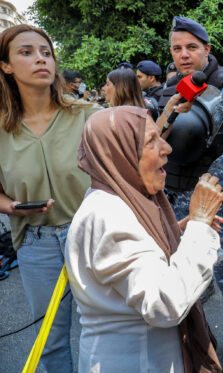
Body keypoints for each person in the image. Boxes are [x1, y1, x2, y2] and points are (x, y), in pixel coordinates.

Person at [65, 106, 223, 373]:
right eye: (150, 140)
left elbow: (140, 259)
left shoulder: (119, 199)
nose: (167, 148)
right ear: (119, 153)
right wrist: (198, 226)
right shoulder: (107, 214)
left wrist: (177, 234)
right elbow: (164, 303)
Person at [157, 16, 223, 373]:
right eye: (177, 48)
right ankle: (198, 338)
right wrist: (171, 109)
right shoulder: (171, 88)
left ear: (206, 49)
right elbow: (155, 143)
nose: (184, 55)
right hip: (178, 194)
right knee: (184, 270)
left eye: (191, 47)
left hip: (221, 194)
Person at [0, 24, 100, 372]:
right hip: (35, 242)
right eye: (26, 52)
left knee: (104, 332)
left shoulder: (89, 116)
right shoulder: (1, 128)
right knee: (51, 341)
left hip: (92, 237)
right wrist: (11, 206)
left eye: (46, 52)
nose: (40, 59)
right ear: (6, 66)